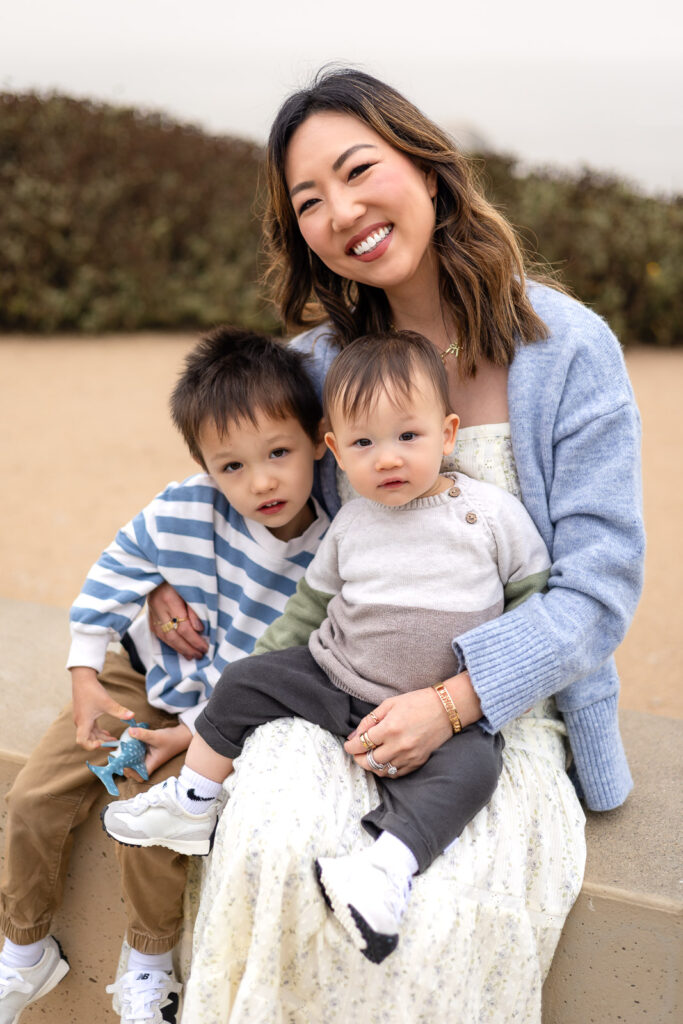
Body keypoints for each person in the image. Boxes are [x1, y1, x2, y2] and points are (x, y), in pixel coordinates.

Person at [148, 68, 645, 1022]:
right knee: (269, 837)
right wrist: (159, 583)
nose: (341, 211)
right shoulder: (318, 366)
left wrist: (455, 702)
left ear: (425, 167)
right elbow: (239, 480)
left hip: (506, 718)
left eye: (356, 169)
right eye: (308, 202)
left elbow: (598, 590)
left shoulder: (570, 347)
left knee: (448, 913)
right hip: (343, 687)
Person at [102, 330, 552, 964]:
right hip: (338, 681)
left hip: (438, 709)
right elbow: (307, 611)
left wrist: (493, 689)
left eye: (408, 437)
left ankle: (384, 870)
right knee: (251, 678)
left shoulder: (489, 513)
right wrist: (261, 660)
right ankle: (194, 800)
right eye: (365, 444)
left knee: (476, 770)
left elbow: (533, 604)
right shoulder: (353, 523)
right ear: (336, 452)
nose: (388, 458)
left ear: (448, 434)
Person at [0, 326, 329, 1024]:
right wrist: (85, 676)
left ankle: (149, 969)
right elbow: (117, 569)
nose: (260, 481)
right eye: (231, 466)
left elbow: (279, 663)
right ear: (205, 465)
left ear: (318, 441)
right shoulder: (187, 505)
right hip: (135, 676)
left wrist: (188, 735)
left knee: (149, 826)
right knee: (32, 798)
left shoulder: (328, 554)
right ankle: (22, 953)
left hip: (219, 722)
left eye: (278, 452)